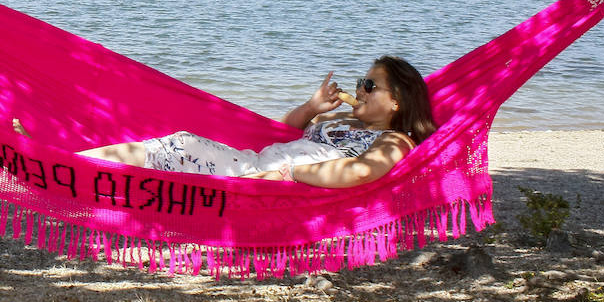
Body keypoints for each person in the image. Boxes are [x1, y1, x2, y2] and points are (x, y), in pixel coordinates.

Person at [81, 56, 437, 187]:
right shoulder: (346, 121)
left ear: (396, 101)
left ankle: (69, 165)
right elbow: (281, 132)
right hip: (256, 163)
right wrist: (311, 107)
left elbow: (360, 173)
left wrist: (291, 174)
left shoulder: (394, 140)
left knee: (178, 146)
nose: (359, 88)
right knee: (177, 145)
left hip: (264, 182)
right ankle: (71, 162)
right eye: (361, 81)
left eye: (370, 85)